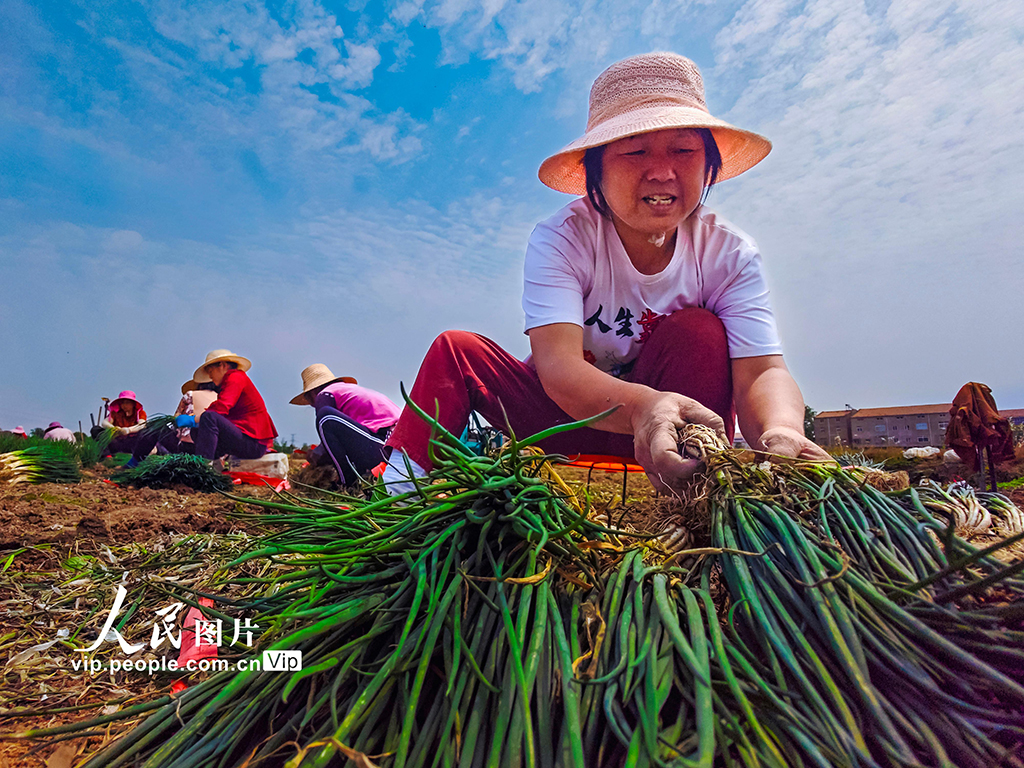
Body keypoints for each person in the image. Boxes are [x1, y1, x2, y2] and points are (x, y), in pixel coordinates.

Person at [384, 52, 829, 494]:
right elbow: (558, 368)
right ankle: (401, 494)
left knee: (700, 331)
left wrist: (782, 429)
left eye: (683, 149)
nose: (661, 171)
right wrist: (642, 407)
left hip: (670, 440)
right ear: (595, 171)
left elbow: (763, 369)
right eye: (635, 151)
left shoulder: (728, 252)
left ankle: (692, 486)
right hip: (567, 421)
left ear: (709, 163)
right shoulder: (563, 238)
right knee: (457, 349)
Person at [290, 364, 401, 486]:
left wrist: (315, 455)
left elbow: (327, 444)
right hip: (397, 447)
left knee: (325, 417)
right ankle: (359, 477)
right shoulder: (347, 392)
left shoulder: (325, 394)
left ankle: (347, 483)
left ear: (312, 393)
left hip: (386, 444)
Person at [174, 350, 278, 461]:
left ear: (222, 365)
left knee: (209, 418)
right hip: (244, 439)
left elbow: (221, 408)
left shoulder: (235, 377)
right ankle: (209, 462)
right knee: (197, 431)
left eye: (210, 371)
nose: (210, 376)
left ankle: (203, 467)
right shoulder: (228, 383)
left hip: (253, 444)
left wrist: (193, 419)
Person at [124, 380, 219, 466]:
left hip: (188, 448)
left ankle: (133, 462)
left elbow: (176, 419)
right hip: (213, 451)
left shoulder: (190, 394)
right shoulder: (220, 398)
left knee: (154, 429)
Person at [101, 391, 148, 456]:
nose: (124, 405)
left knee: (144, 432)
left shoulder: (140, 413)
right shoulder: (116, 413)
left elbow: (142, 425)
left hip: (132, 441)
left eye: (127, 403)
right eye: (122, 403)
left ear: (133, 404)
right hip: (117, 441)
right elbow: (104, 422)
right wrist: (113, 429)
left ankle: (138, 454)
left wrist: (128, 430)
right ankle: (107, 455)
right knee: (97, 430)